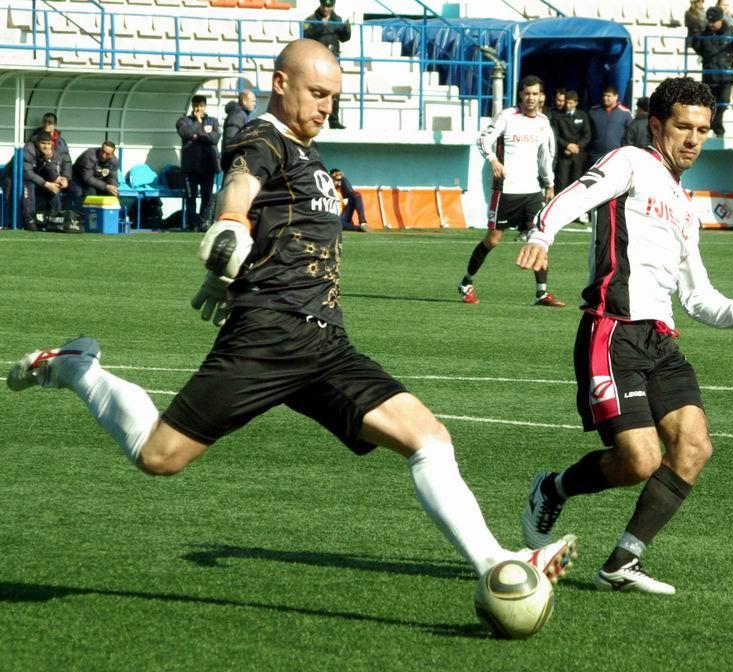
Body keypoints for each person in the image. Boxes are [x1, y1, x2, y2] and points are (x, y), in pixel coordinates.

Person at [7, 40, 577, 597]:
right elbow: (241, 187)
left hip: (325, 341)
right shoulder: (263, 138)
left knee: (428, 438)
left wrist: (224, 274)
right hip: (271, 334)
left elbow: (275, 223)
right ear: (281, 84)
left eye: (334, 97)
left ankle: (500, 563)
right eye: (317, 93)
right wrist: (230, 222)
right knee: (160, 456)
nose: (327, 107)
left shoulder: (308, 151)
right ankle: (77, 367)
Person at [515, 76, 733, 594]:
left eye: (702, 130)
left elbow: (699, 297)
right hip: (613, 330)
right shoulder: (631, 162)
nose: (693, 139)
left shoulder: (685, 207)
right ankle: (552, 489)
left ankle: (622, 563)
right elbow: (576, 195)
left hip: (661, 341)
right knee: (640, 460)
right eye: (683, 127)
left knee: (694, 447)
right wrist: (541, 233)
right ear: (657, 125)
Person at [458, 75, 564, 307]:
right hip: (506, 190)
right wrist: (493, 160)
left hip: (532, 192)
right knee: (493, 240)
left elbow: (545, 156)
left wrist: (549, 184)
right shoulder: (507, 116)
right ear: (521, 95)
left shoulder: (543, 122)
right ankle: (466, 282)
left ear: (541, 96)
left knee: (539, 238)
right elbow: (483, 139)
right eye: (527, 94)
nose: (531, 98)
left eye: (535, 94)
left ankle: (541, 293)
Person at [0, 132, 75, 231]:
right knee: (29, 185)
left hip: (34, 179)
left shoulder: (51, 151)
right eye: (43, 143)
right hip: (12, 179)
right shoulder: (28, 150)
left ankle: (56, 217)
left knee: (54, 188)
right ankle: (29, 219)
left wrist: (58, 178)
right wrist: (46, 184)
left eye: (48, 144)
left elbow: (50, 170)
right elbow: (27, 173)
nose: (46, 146)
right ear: (37, 143)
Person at [691, 6, 733, 137]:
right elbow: (698, 48)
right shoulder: (704, 35)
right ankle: (717, 129)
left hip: (726, 77)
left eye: (713, 21)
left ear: (721, 20)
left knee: (723, 103)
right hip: (709, 77)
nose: (711, 24)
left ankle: (715, 127)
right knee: (709, 105)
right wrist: (695, 39)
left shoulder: (732, 33)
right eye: (709, 21)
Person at [176, 94, 221, 231]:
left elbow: (214, 138)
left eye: (201, 106)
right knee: (191, 196)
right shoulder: (183, 120)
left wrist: (197, 135)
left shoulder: (213, 121)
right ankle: (192, 224)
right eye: (196, 106)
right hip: (191, 167)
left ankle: (203, 223)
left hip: (208, 166)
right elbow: (185, 133)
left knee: (207, 196)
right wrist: (198, 122)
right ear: (192, 106)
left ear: (205, 106)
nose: (198, 109)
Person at [304, 0, 350, 129]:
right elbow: (305, 37)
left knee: (335, 91)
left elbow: (344, 38)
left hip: (333, 59)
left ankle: (334, 120)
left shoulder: (337, 20)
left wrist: (347, 29)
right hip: (317, 60)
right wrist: (319, 28)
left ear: (333, 6)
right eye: (324, 5)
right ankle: (316, 119)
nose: (326, 9)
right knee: (317, 91)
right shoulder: (311, 20)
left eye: (329, 6)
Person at [552, 90, 591, 195]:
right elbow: (555, 135)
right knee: (561, 184)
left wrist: (577, 146)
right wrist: (567, 145)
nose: (567, 105)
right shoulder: (558, 116)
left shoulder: (582, 115)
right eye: (566, 102)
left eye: (570, 103)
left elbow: (587, 135)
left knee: (576, 184)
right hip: (563, 155)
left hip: (577, 155)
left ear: (576, 103)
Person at [587, 85, 632, 167]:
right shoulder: (593, 112)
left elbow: (629, 135)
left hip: (616, 157)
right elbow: (587, 133)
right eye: (604, 95)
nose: (605, 98)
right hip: (595, 157)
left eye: (608, 96)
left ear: (616, 97)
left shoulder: (625, 113)